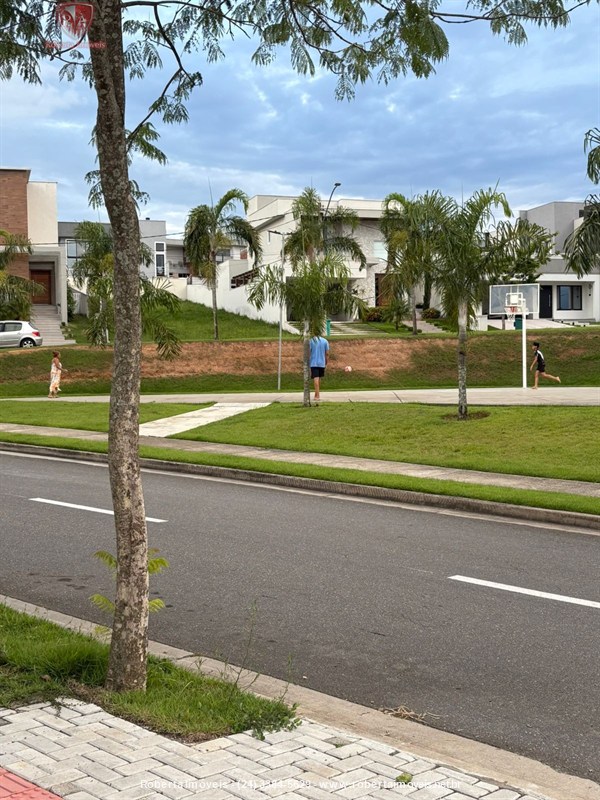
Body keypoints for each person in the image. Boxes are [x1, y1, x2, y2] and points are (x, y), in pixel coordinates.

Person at [309, 332, 329, 402]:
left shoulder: (311, 341)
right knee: (318, 378)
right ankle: (316, 394)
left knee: (316, 378)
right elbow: (327, 353)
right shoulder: (325, 341)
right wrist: (326, 362)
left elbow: (309, 352)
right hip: (322, 363)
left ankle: (317, 395)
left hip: (314, 363)